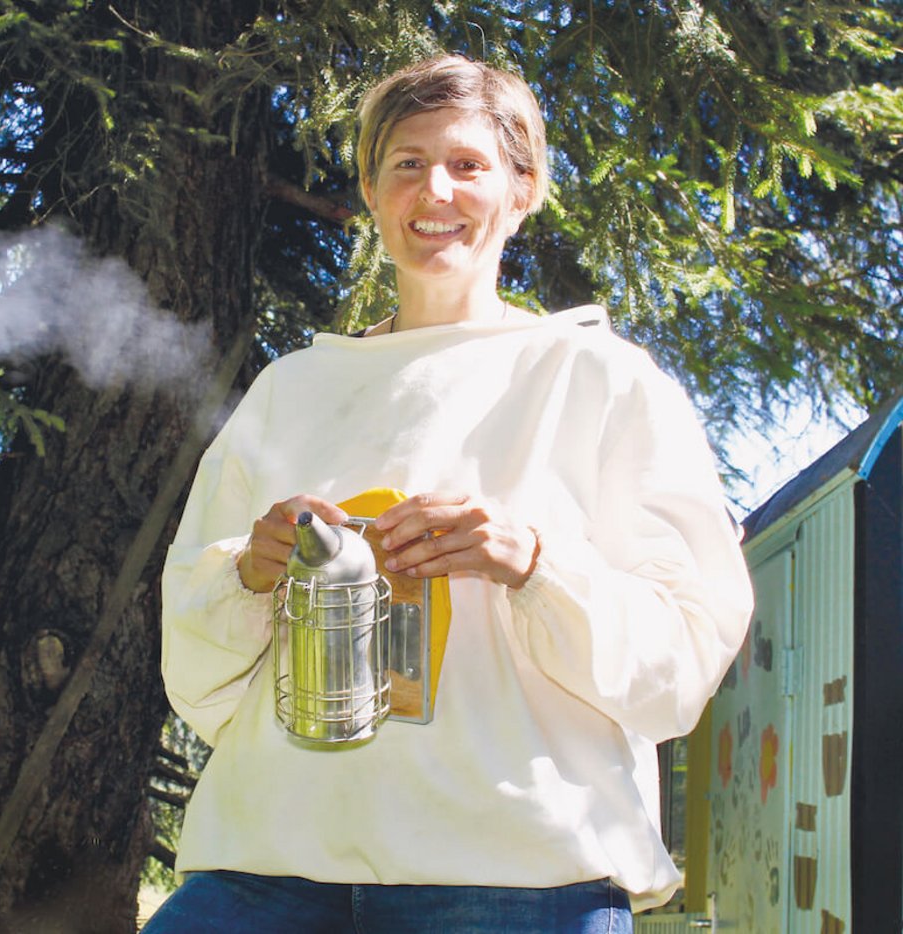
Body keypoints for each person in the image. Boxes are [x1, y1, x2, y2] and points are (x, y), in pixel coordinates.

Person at [148, 54, 753, 933]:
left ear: (523, 189)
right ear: (371, 192)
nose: (436, 189)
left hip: (513, 879)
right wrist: (250, 572)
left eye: (468, 164)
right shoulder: (290, 391)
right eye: (407, 162)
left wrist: (534, 563)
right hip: (265, 866)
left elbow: (684, 663)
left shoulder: (601, 381)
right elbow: (196, 679)